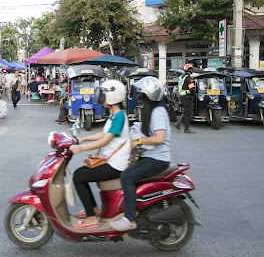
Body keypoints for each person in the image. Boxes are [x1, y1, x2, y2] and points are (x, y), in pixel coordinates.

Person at [111, 76, 171, 231]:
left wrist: (138, 142)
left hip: (157, 159)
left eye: (140, 95)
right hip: (150, 155)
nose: (138, 98)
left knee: (127, 176)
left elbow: (159, 138)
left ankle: (129, 218)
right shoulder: (151, 110)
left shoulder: (157, 112)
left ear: (148, 95)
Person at [70, 80, 131, 229]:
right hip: (111, 161)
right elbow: (104, 134)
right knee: (80, 173)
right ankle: (94, 210)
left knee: (79, 176)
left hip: (116, 165)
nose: (101, 99)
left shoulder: (119, 117)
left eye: (104, 96)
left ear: (112, 97)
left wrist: (82, 148)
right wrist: (83, 139)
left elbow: (105, 141)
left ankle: (92, 219)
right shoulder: (114, 114)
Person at [174, 63, 196, 134]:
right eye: (191, 69)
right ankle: (186, 128)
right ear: (189, 69)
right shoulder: (188, 78)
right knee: (187, 113)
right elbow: (192, 89)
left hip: (182, 96)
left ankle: (178, 123)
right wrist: (195, 95)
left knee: (186, 111)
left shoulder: (181, 76)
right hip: (187, 96)